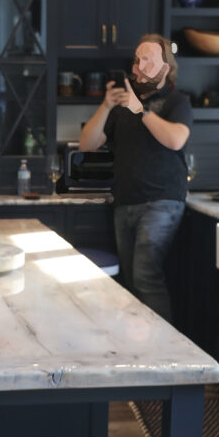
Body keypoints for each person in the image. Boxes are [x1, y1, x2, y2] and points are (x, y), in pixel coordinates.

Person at [79, 34, 192, 322]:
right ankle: (140, 348)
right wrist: (105, 107)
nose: (139, 66)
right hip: (125, 202)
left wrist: (140, 111)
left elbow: (177, 140)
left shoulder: (176, 101)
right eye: (137, 59)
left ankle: (164, 355)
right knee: (131, 284)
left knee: (146, 277)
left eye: (148, 61)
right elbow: (87, 145)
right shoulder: (121, 107)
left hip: (161, 202)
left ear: (165, 69)